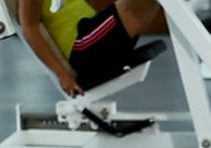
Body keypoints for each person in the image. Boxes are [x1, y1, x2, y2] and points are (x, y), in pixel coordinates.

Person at [19, 0, 161, 97]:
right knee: (131, 7)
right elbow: (29, 30)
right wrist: (62, 74)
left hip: (93, 34)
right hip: (84, 45)